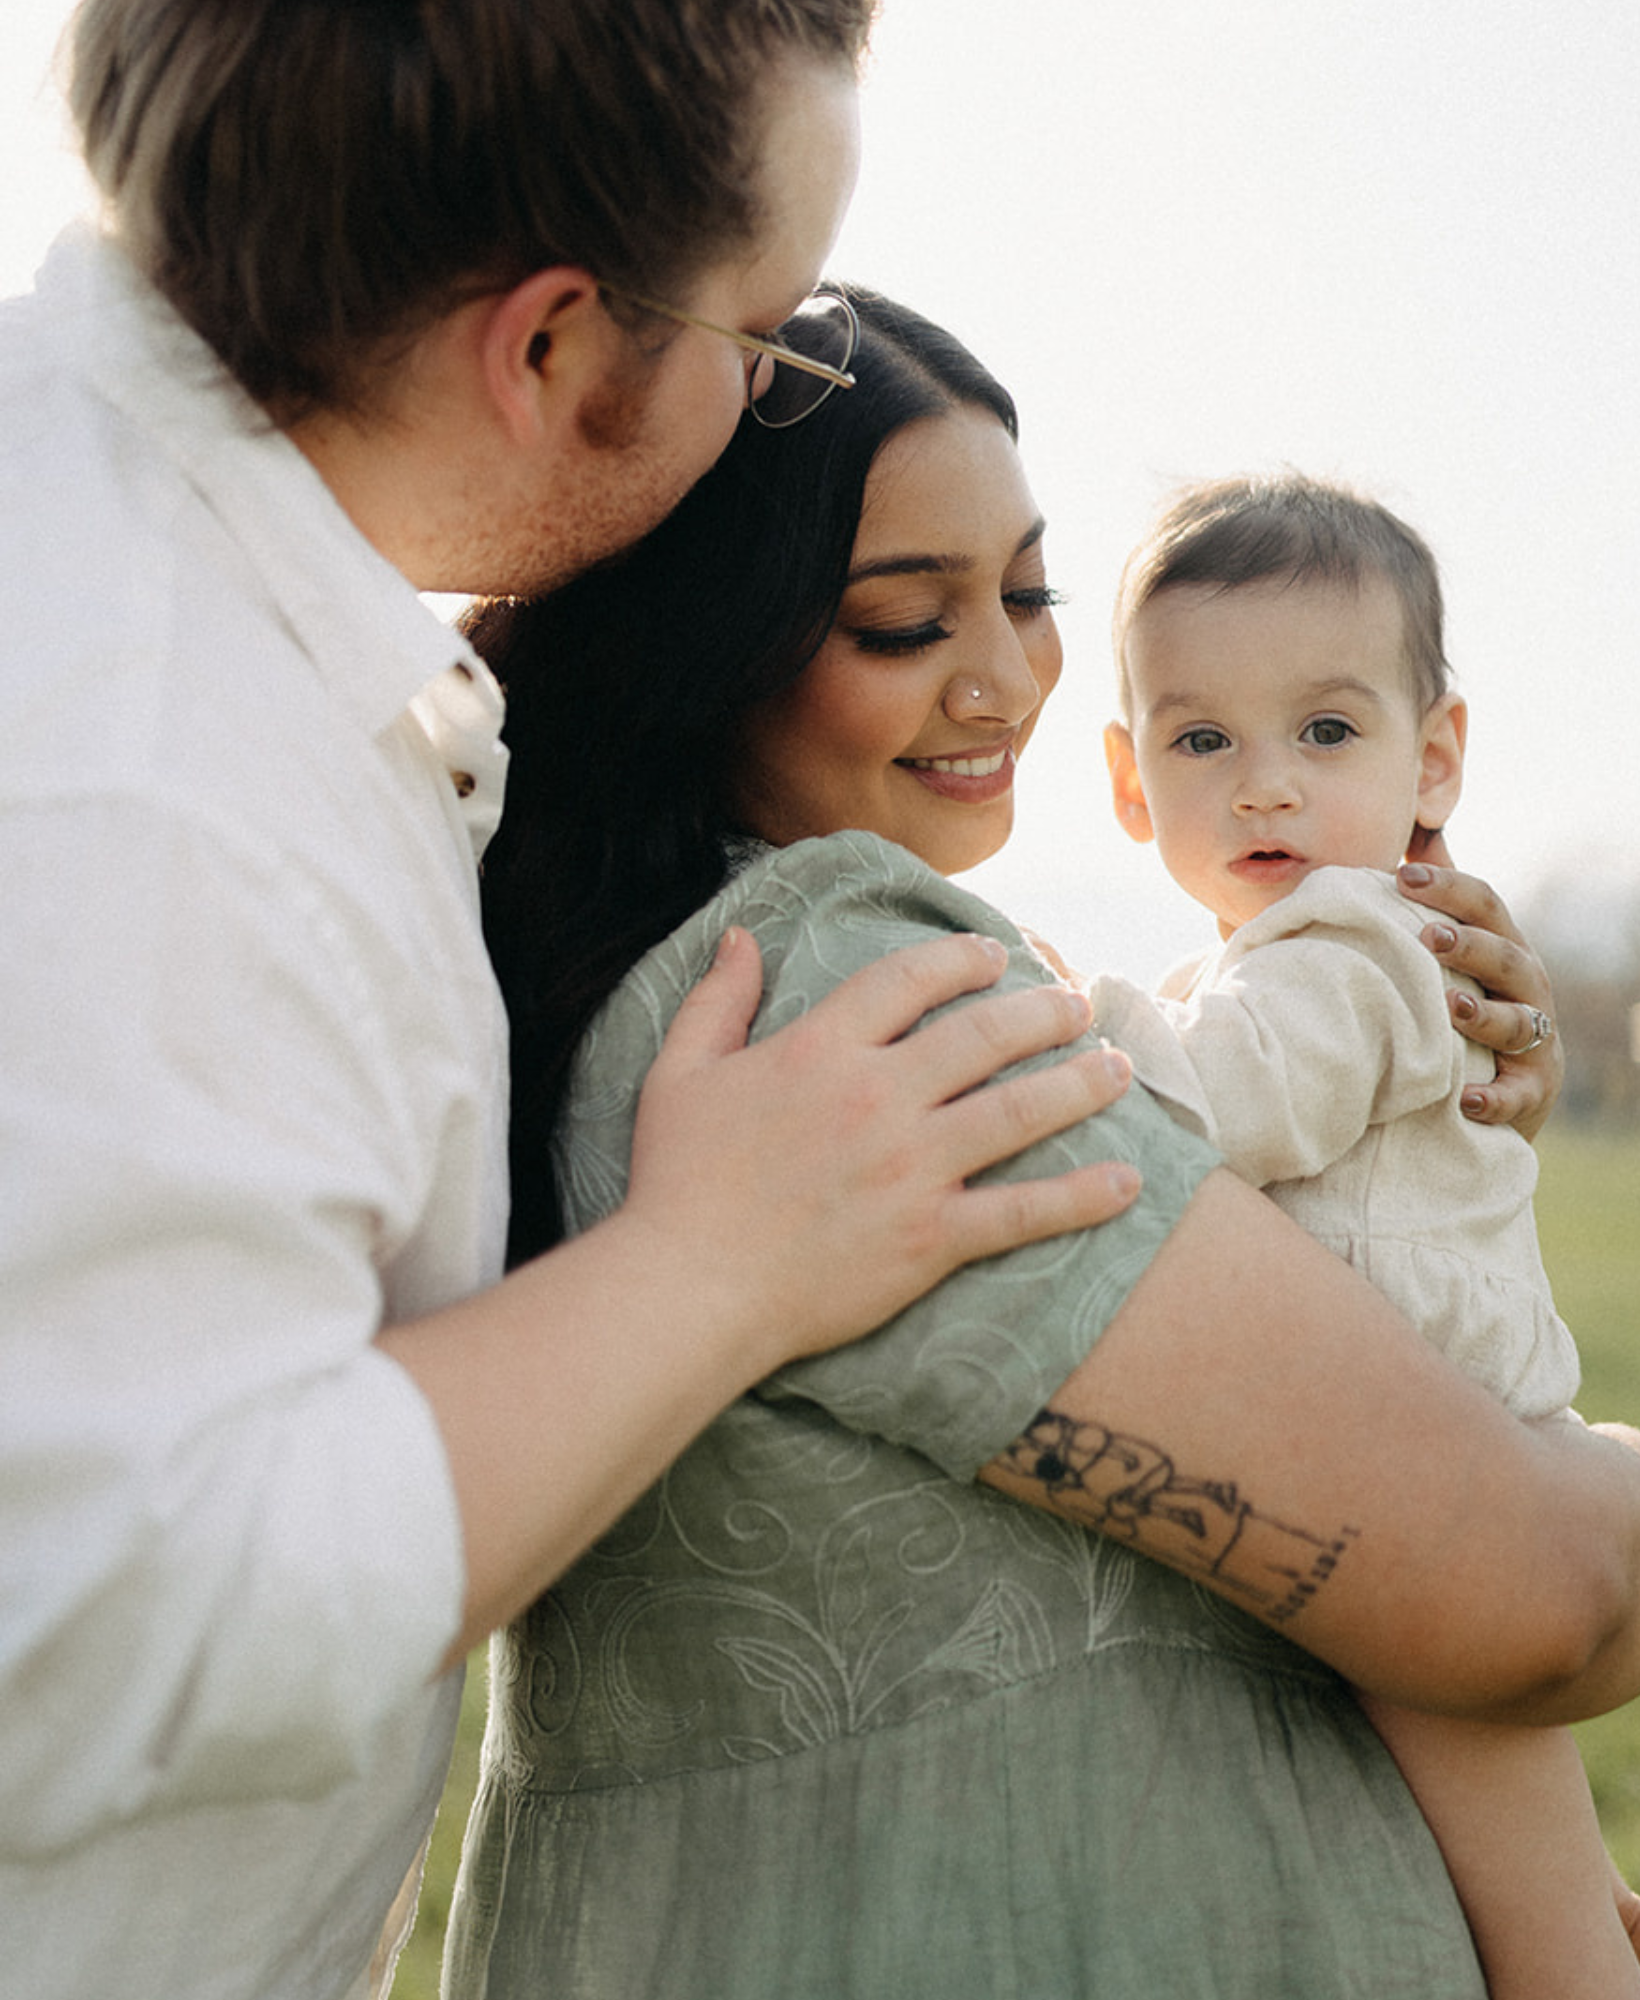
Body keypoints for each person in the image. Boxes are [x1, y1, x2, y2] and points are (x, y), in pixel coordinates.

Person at [0, 9, 1151, 1999]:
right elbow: (91, 1615)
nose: (782, 378)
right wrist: (721, 1259)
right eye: (768, 332)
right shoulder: (129, 763)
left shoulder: (159, 599)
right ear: (540, 349)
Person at [449, 289, 1640, 1998]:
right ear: (713, 640)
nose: (1005, 676)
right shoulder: (837, 992)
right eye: (906, 621)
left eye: (1030, 594)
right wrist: (1633, 1488)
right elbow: (1544, 1594)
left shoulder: (627, 971)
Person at [1086, 471, 1640, 1998]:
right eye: (1203, 738)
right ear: (1127, 777)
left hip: (1440, 1477)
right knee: (1501, 1855)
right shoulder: (1252, 962)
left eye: (1328, 732)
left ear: (1436, 761)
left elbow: (1223, 1102)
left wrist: (1044, 1008)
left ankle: (1606, 1959)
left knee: (1531, 1924)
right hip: (1385, 1444)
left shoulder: (1364, 941)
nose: (1265, 784)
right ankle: (1621, 1935)